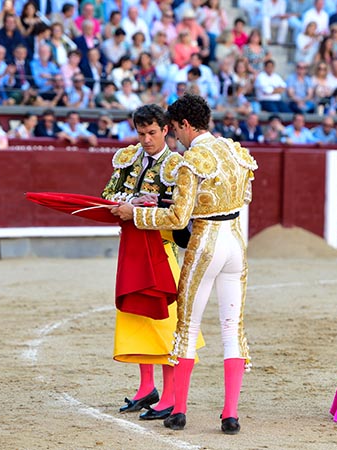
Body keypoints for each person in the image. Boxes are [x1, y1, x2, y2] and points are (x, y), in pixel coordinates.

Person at [111, 93, 257, 435]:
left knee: (186, 327)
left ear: (185, 125)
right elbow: (246, 197)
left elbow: (178, 217)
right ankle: (230, 415)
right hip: (235, 240)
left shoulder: (192, 160)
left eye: (175, 129)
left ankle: (179, 411)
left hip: (206, 242)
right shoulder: (234, 152)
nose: (175, 136)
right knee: (230, 328)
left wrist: (137, 212)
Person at [101, 104, 202, 420]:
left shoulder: (177, 165)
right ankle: (147, 387)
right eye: (141, 133)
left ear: (166, 130)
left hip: (162, 250)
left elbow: (182, 214)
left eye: (152, 133)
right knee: (140, 316)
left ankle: (171, 394)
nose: (145, 139)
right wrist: (121, 203)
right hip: (132, 249)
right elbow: (107, 193)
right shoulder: (129, 160)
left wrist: (146, 207)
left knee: (164, 324)